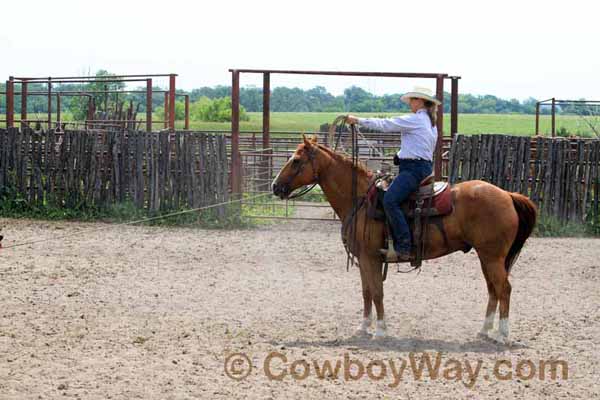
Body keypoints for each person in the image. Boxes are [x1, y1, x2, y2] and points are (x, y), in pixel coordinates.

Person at [346, 87, 440, 262]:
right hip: (421, 167)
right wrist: (400, 155)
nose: (410, 103)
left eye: (412, 100)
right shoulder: (430, 123)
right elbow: (419, 146)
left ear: (420, 101)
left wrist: (358, 120)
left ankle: (404, 246)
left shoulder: (415, 119)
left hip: (413, 170)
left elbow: (385, 124)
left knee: (390, 200)